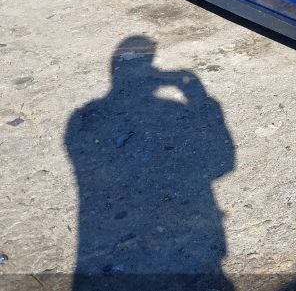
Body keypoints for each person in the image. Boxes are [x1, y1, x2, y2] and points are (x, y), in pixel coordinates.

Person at [65, 36, 235, 290]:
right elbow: (224, 163)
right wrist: (197, 94)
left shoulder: (79, 119)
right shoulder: (173, 109)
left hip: (106, 239)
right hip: (186, 236)